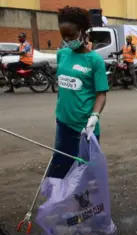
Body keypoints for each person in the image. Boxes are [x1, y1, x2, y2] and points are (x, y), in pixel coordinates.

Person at [47, 6, 109, 179]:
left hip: (85, 128)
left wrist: (94, 116)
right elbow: (62, 87)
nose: (67, 40)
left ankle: (83, 204)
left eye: (71, 36)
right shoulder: (62, 54)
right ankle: (59, 203)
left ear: (83, 32)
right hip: (63, 123)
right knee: (60, 166)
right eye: (63, 36)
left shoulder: (95, 60)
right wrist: (62, 109)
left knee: (84, 172)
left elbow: (101, 93)